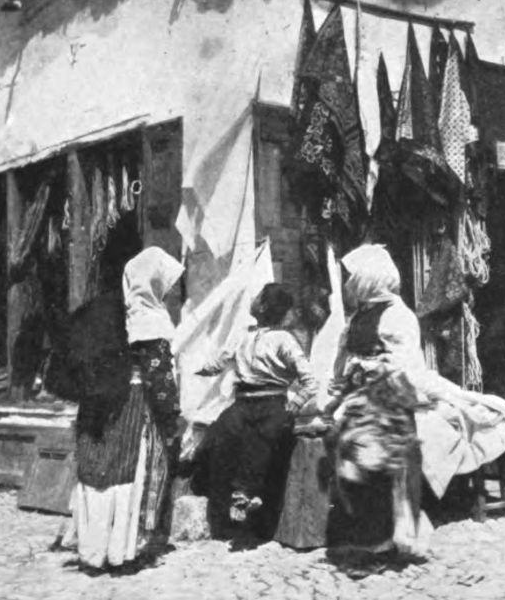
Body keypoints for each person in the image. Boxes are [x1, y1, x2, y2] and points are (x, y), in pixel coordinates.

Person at [326, 244, 505, 568]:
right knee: (354, 471)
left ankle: (388, 546)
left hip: (389, 400)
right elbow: (342, 360)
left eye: (354, 276)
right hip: (360, 401)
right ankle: (370, 541)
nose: (350, 282)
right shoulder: (359, 317)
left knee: (381, 470)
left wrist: (373, 369)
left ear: (370, 277)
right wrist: (340, 383)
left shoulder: (398, 316)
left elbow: (408, 368)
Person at [48, 246, 185, 574]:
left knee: (97, 472)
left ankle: (92, 551)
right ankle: (120, 551)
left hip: (98, 408)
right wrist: (171, 415)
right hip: (133, 407)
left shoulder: (108, 312)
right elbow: (160, 381)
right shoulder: (152, 322)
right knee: (128, 474)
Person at [195, 283, 319, 533]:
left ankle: (249, 500)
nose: (253, 299)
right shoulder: (243, 334)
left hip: (272, 405)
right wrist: (197, 368)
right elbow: (220, 362)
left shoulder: (284, 339)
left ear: (264, 306)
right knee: (219, 436)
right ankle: (222, 514)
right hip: (242, 404)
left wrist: (293, 405)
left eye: (259, 297)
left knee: (261, 443)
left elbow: (310, 381)